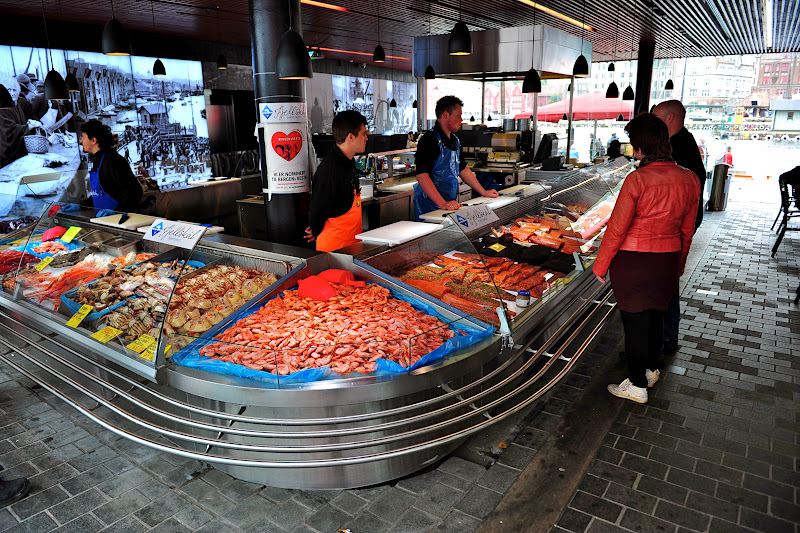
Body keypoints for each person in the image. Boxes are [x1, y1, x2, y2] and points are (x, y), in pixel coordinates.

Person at [593, 113, 700, 404]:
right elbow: (687, 231)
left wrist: (601, 265)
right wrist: (679, 262)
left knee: (635, 324)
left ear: (640, 148)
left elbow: (617, 228)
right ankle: (651, 370)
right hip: (666, 259)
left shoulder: (637, 179)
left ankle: (637, 384)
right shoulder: (690, 179)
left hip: (634, 261)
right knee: (655, 317)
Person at [652, 99, 706, 355]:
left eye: (656, 118)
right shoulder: (682, 141)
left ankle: (664, 338)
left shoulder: (679, 146)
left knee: (666, 283)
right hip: (677, 225)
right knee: (667, 282)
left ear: (670, 118)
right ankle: (664, 337)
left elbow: (682, 192)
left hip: (673, 226)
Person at [413, 96, 498, 220]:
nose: (461, 120)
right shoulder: (429, 140)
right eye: (458, 115)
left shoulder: (454, 140)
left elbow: (462, 168)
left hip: (448, 204)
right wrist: (442, 203)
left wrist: (483, 192)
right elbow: (422, 175)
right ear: (446, 115)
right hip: (429, 206)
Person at [305, 110, 368, 252]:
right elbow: (317, 209)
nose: (366, 138)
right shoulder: (330, 170)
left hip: (352, 246)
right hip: (334, 251)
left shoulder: (348, 163)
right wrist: (314, 228)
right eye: (364, 134)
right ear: (351, 137)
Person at [76, 120, 143, 214]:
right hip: (105, 220)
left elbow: (135, 191)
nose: (81, 140)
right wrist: (82, 205)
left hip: (120, 222)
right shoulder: (97, 160)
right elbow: (102, 193)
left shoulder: (113, 161)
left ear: (93, 140)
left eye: (83, 137)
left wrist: (117, 212)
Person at [0, 76, 43, 168]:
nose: (12, 93)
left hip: (17, 155)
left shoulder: (16, 105)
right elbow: (9, 130)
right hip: (5, 156)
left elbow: (20, 123)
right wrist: (28, 127)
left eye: (14, 90)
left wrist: (29, 123)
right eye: (8, 89)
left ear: (19, 92)